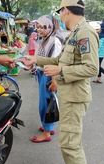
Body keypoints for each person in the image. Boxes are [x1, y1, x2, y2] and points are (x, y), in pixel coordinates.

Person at [20, 0, 98, 164]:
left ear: (66, 11)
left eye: (60, 12)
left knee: (70, 142)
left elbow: (92, 67)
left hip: (75, 96)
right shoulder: (75, 33)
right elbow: (58, 60)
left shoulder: (85, 32)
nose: (60, 17)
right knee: (69, 140)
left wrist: (60, 72)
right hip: (69, 95)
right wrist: (36, 59)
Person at [29, 15, 63, 143]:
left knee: (46, 103)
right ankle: (48, 126)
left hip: (48, 75)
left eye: (43, 27)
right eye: (38, 27)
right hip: (42, 73)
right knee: (47, 102)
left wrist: (54, 81)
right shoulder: (44, 39)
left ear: (50, 27)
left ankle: (47, 133)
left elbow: (55, 63)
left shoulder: (54, 41)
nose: (39, 30)